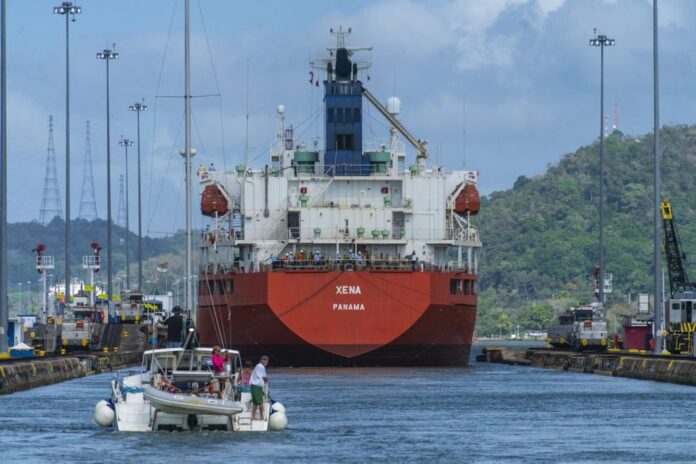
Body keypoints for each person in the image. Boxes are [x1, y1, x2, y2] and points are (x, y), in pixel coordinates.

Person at [250, 355, 269, 421]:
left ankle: (253, 417)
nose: (266, 361)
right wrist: (267, 380)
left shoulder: (258, 366)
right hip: (257, 387)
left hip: (254, 387)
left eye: (267, 360)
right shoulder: (261, 366)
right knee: (260, 403)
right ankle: (261, 417)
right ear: (261, 360)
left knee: (255, 404)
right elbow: (264, 377)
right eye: (264, 360)